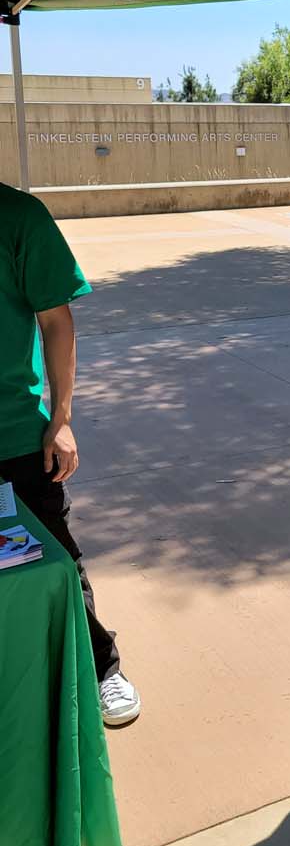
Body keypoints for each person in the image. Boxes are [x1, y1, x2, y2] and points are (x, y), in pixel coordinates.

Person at [0, 181, 140, 724]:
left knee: (57, 563)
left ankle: (102, 668)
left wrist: (60, 420)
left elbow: (56, 321)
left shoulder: (19, 217)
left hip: (16, 436)